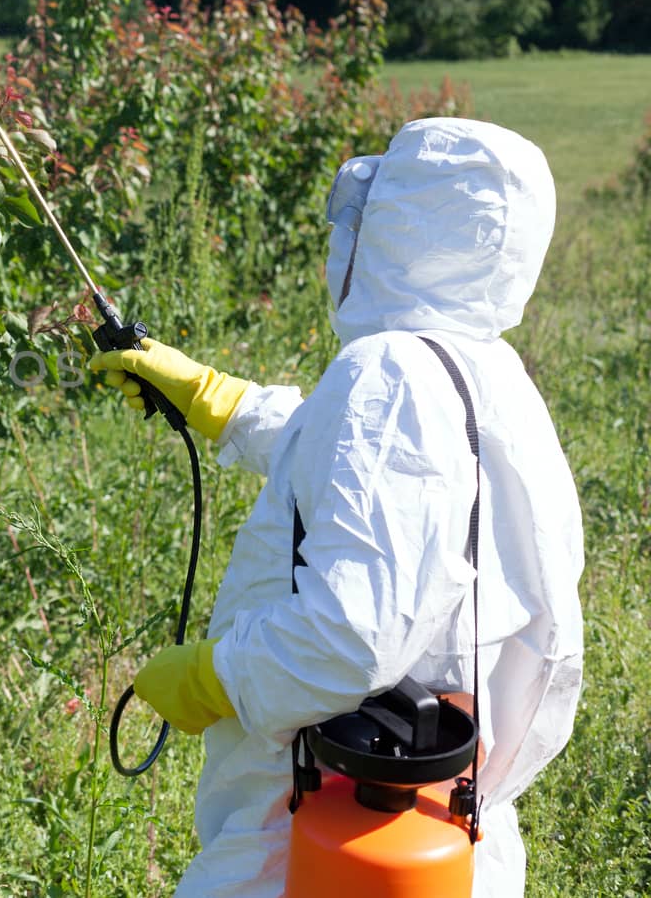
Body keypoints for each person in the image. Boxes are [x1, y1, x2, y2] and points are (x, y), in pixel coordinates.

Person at [90, 117, 584, 897]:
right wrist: (217, 400)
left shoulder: (389, 374)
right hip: (438, 835)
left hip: (314, 832)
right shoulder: (493, 380)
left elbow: (350, 635)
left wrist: (215, 674)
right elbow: (376, 472)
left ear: (402, 227)